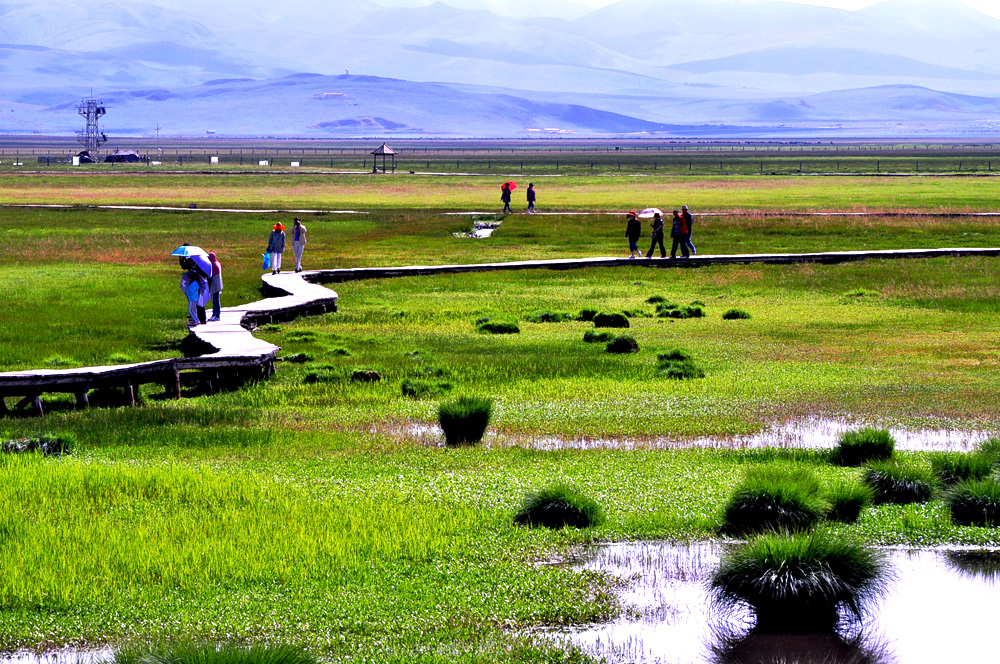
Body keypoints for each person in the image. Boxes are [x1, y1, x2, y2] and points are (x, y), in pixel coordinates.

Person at [180, 261, 208, 327]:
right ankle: (195, 319)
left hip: (193, 299)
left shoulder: (193, 284)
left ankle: (196, 320)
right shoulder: (194, 283)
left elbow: (191, 292)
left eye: (189, 278)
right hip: (194, 298)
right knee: (194, 309)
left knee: (191, 309)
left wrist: (187, 293)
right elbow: (184, 266)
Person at [207, 251, 224, 321]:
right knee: (216, 300)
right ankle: (214, 314)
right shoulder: (218, 263)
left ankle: (217, 315)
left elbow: (210, 276)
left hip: (215, 285)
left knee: (215, 301)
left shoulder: (214, 265)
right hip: (218, 285)